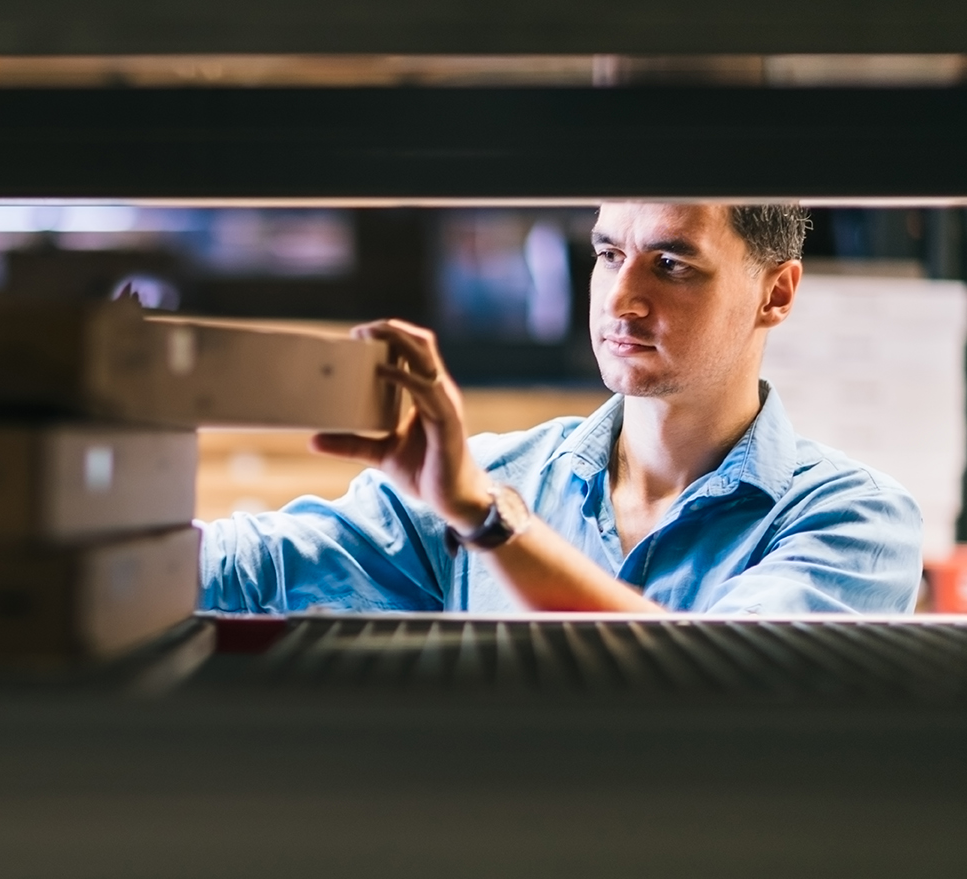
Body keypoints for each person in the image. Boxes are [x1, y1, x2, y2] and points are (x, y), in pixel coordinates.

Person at [199, 203, 922, 615]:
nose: (620, 299)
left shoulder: (853, 520)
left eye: (671, 264)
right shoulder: (484, 478)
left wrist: (492, 522)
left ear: (777, 293)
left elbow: (711, 686)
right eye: (610, 253)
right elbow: (253, 568)